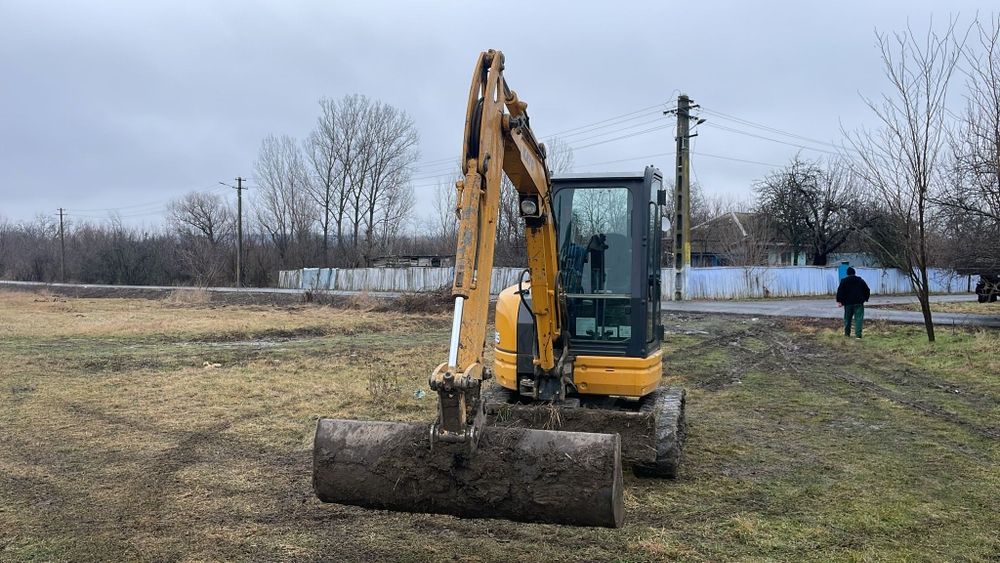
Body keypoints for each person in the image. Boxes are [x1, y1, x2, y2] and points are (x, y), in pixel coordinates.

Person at [836, 267, 871, 338]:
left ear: (847, 273)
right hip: (858, 303)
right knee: (858, 319)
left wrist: (840, 301)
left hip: (848, 303)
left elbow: (840, 291)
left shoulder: (844, 281)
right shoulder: (860, 280)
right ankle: (858, 335)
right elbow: (867, 290)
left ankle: (847, 334)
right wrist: (865, 299)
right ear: (854, 273)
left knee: (847, 319)